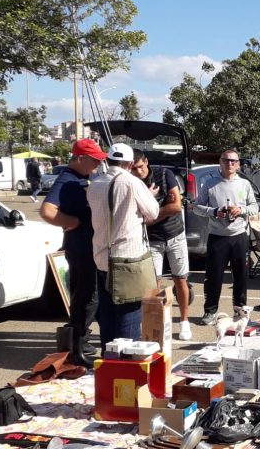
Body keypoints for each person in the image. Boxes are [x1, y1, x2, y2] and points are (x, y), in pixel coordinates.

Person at [39, 139, 107, 368]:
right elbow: (47, 210)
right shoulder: (67, 179)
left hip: (87, 247)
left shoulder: (82, 178)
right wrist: (72, 221)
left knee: (87, 295)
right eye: (94, 160)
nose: (98, 164)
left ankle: (79, 342)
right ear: (80, 159)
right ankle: (79, 344)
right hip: (81, 248)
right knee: (87, 296)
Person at [87, 143, 160, 348]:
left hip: (102, 258)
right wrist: (150, 195)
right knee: (129, 316)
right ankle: (127, 368)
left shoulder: (95, 184)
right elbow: (153, 213)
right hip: (128, 259)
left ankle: (109, 364)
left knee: (108, 316)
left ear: (108, 160)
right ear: (129, 163)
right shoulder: (132, 182)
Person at [131, 149, 192, 341]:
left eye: (140, 167)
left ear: (146, 162)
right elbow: (136, 213)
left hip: (175, 235)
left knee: (180, 280)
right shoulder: (132, 183)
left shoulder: (164, 174)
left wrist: (150, 215)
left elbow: (176, 206)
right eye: (133, 169)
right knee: (154, 284)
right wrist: (162, 209)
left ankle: (184, 321)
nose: (138, 172)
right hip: (152, 240)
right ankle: (157, 323)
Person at [192, 149, 259, 325]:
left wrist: (241, 210)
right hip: (217, 237)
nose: (230, 164)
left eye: (233, 161)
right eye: (226, 161)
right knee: (214, 277)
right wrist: (215, 212)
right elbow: (197, 207)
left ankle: (239, 311)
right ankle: (210, 311)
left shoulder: (244, 184)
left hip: (239, 236)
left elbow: (254, 207)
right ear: (220, 162)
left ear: (238, 164)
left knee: (241, 276)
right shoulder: (211, 184)